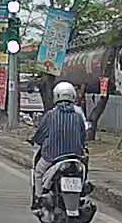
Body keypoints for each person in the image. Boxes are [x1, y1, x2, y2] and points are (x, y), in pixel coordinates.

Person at [28, 81, 88, 209]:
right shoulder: (78, 117)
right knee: (84, 170)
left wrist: (35, 140)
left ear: (56, 96)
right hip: (75, 157)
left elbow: (40, 135)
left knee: (38, 172)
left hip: (52, 156)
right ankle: (82, 189)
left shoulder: (50, 115)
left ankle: (38, 199)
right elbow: (83, 137)